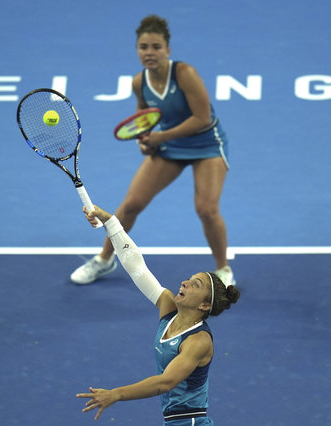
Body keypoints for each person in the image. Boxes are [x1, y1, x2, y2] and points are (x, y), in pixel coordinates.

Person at [70, 14, 236, 287]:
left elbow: (202, 119)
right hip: (169, 145)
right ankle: (103, 260)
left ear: (167, 50)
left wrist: (160, 137)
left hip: (206, 144)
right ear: (137, 50)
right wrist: (143, 140)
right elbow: (142, 119)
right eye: (144, 47)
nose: (149, 53)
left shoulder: (185, 74)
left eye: (156, 47)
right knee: (132, 204)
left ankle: (224, 270)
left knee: (206, 209)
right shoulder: (139, 82)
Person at [76, 205, 240, 424]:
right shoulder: (169, 308)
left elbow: (166, 383)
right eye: (189, 279)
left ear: (204, 305)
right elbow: (136, 266)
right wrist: (110, 221)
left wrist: (116, 394)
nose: (185, 283)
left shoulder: (199, 341)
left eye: (195, 285)